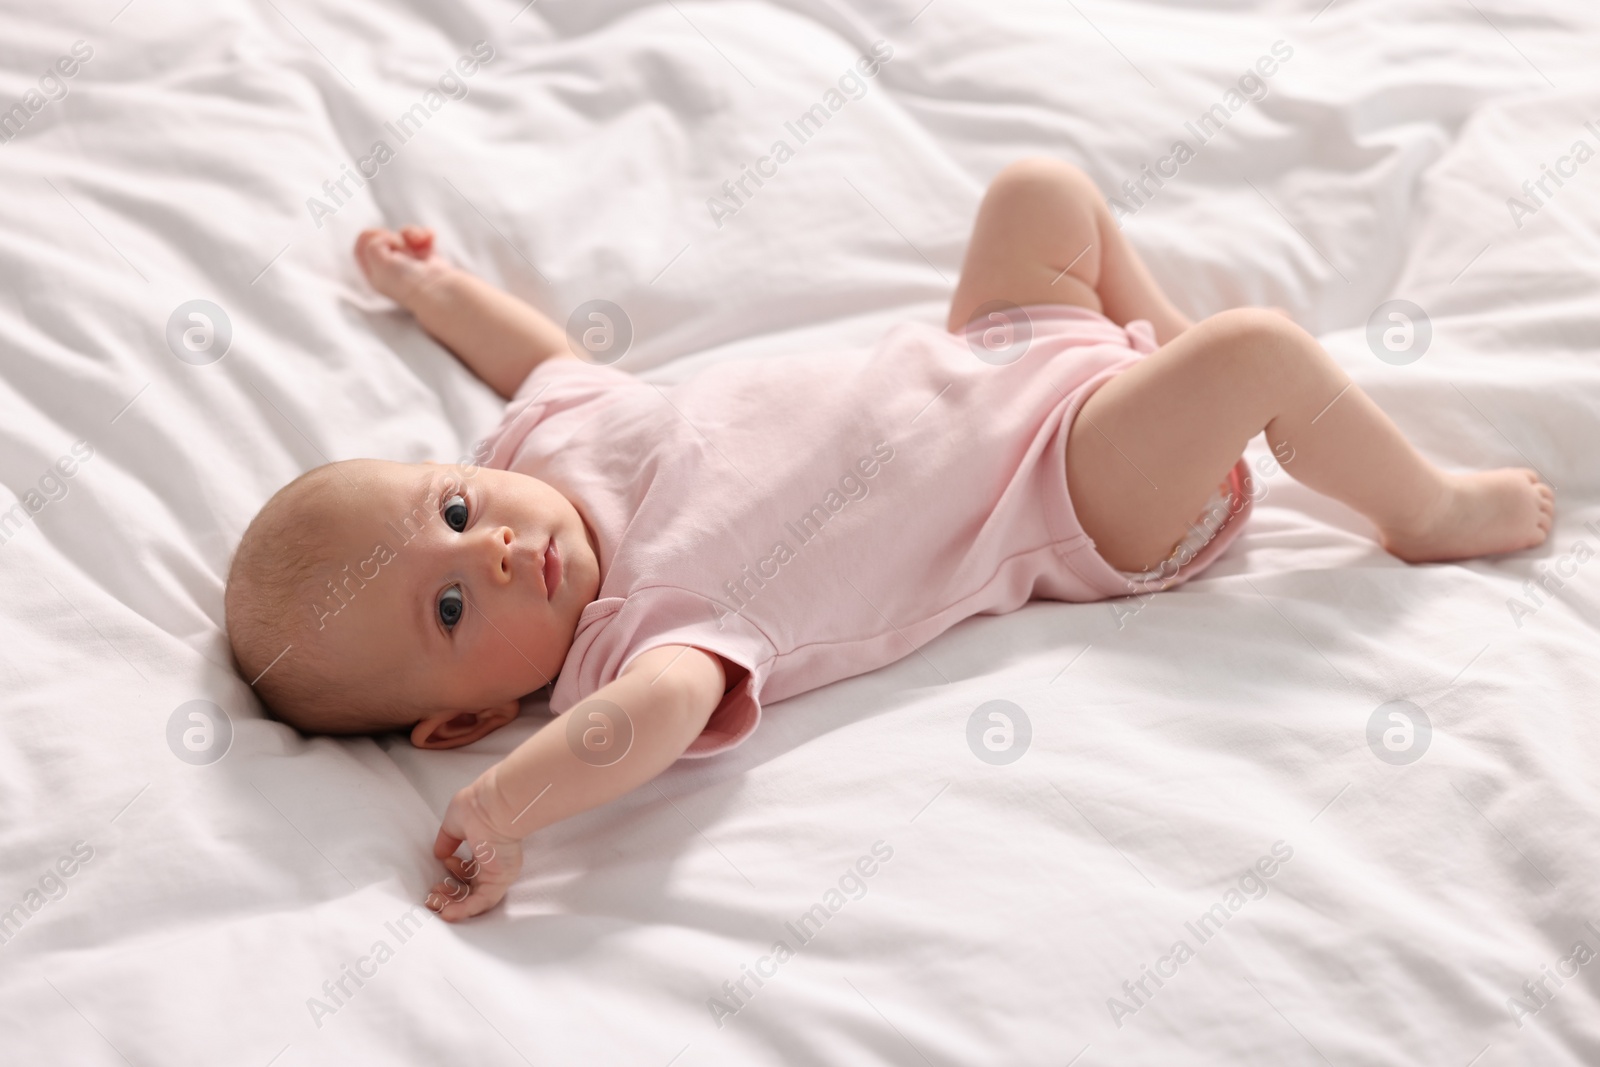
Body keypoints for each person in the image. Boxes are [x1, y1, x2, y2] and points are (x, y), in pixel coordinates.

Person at [223, 158, 1553, 920]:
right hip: (1063, 482)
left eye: (454, 515)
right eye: (450, 610)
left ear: (462, 472)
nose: (493, 553)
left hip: (1000, 352)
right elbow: (649, 726)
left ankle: (1155, 345)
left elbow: (545, 357)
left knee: (1042, 194)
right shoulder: (643, 638)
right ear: (464, 718)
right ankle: (1422, 508)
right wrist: (509, 811)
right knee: (1258, 354)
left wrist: (429, 284)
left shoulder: (547, 445)